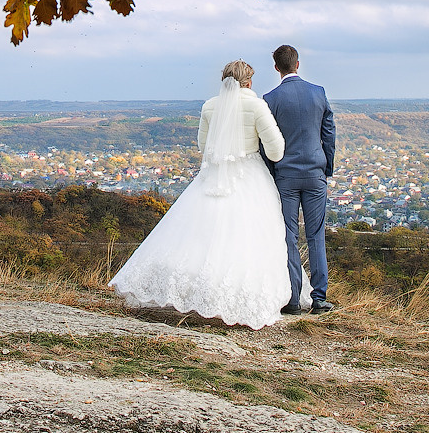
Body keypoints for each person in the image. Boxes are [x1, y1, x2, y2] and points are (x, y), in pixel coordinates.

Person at [110, 60, 302, 328]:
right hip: (249, 175)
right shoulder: (257, 106)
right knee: (250, 234)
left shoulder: (210, 106)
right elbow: (276, 150)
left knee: (201, 235)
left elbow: (204, 145)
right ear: (249, 82)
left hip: (213, 176)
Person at [261, 44, 336, 315]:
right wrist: (327, 167)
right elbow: (329, 133)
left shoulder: (270, 99)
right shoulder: (318, 93)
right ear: (298, 64)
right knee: (316, 236)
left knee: (289, 236)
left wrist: (272, 172)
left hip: (286, 176)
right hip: (315, 173)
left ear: (276, 68)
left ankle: (293, 299)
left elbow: (266, 141)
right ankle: (319, 298)